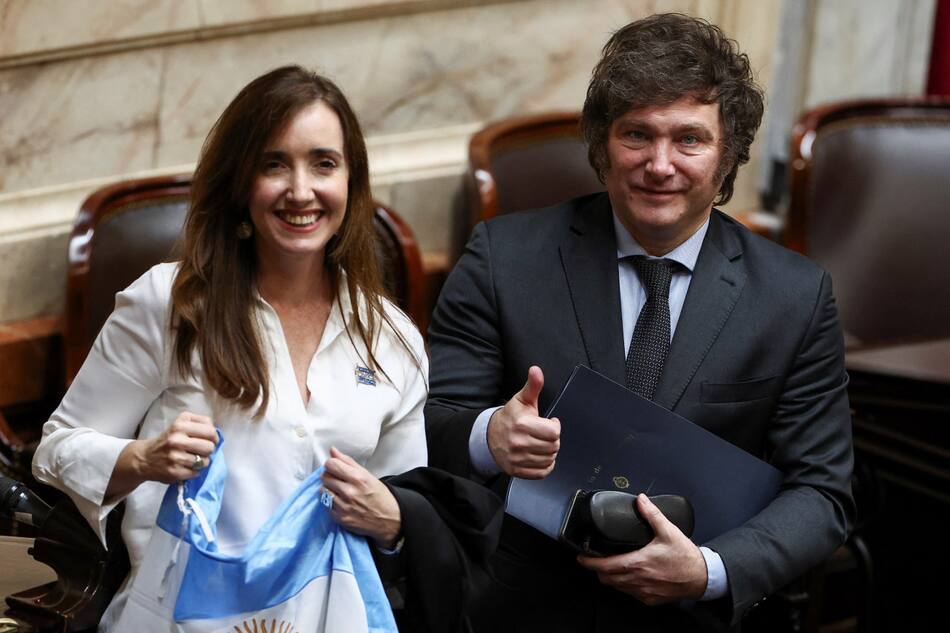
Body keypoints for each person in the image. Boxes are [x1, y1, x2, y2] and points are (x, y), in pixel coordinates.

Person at [425, 13, 854, 632]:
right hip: (522, 606)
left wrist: (710, 571)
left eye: (689, 140)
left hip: (696, 619)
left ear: (728, 153)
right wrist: (489, 435)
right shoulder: (503, 259)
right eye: (637, 135)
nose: (659, 164)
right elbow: (429, 424)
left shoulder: (794, 295)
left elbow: (822, 492)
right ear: (602, 144)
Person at [31, 66, 430, 629]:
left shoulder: (392, 338)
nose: (301, 190)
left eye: (323, 163)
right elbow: (55, 450)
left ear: (351, 182)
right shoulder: (168, 303)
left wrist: (393, 521)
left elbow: (404, 512)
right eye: (274, 164)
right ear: (240, 183)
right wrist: (143, 460)